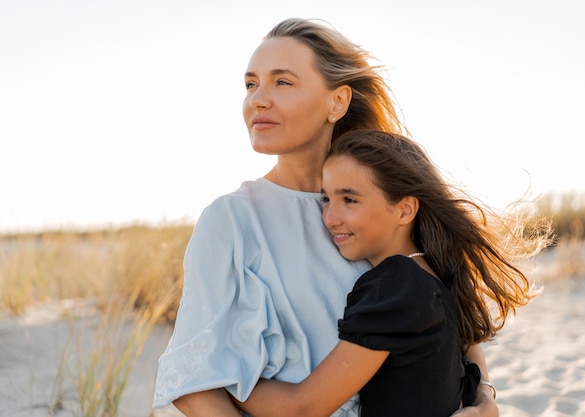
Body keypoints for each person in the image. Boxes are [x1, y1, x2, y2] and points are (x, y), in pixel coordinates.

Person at [153, 17, 502, 417]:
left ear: (337, 101)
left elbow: (454, 314)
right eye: (251, 84)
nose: (258, 100)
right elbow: (193, 382)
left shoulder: (381, 199)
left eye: (282, 82)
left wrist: (485, 400)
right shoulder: (230, 220)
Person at [230, 129, 549, 417]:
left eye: (349, 199)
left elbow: (304, 408)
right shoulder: (432, 271)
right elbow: (470, 348)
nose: (329, 217)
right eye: (327, 199)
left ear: (405, 209)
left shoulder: (397, 285)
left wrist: (226, 381)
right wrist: (485, 398)